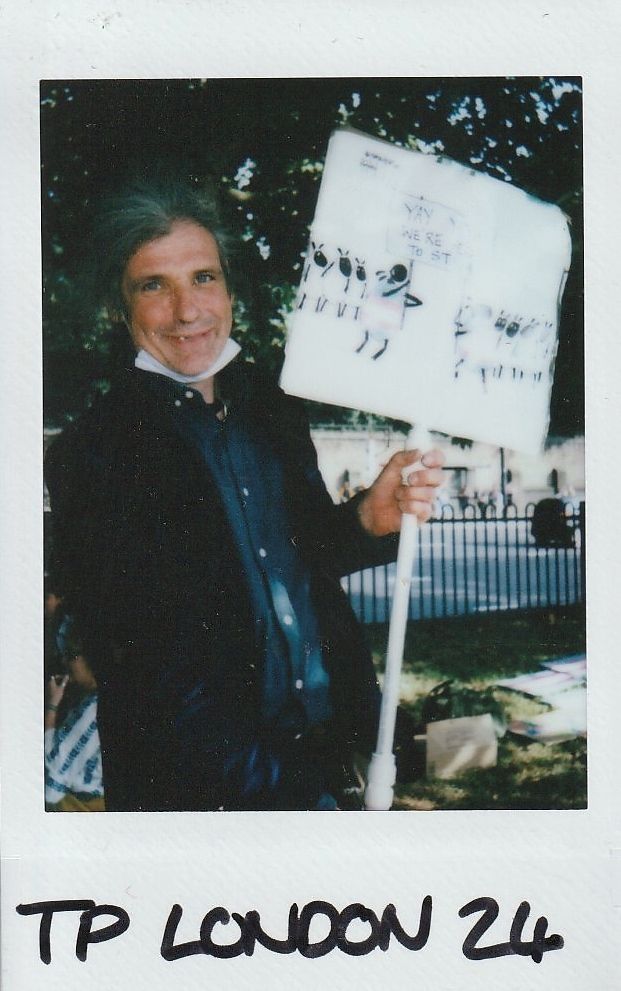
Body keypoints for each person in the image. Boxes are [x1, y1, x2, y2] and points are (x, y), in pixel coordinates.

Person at [45, 178, 445, 811]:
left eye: (203, 278)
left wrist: (369, 518)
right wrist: (270, 782)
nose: (187, 310)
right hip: (202, 791)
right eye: (154, 285)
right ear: (120, 309)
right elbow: (134, 663)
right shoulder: (92, 451)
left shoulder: (272, 406)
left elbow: (304, 555)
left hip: (322, 754)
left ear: (229, 288)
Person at [44, 619, 104, 811]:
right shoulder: (91, 695)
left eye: (70, 655)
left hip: (80, 807)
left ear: (91, 657)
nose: (63, 661)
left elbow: (54, 770)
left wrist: (52, 705)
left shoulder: (93, 708)